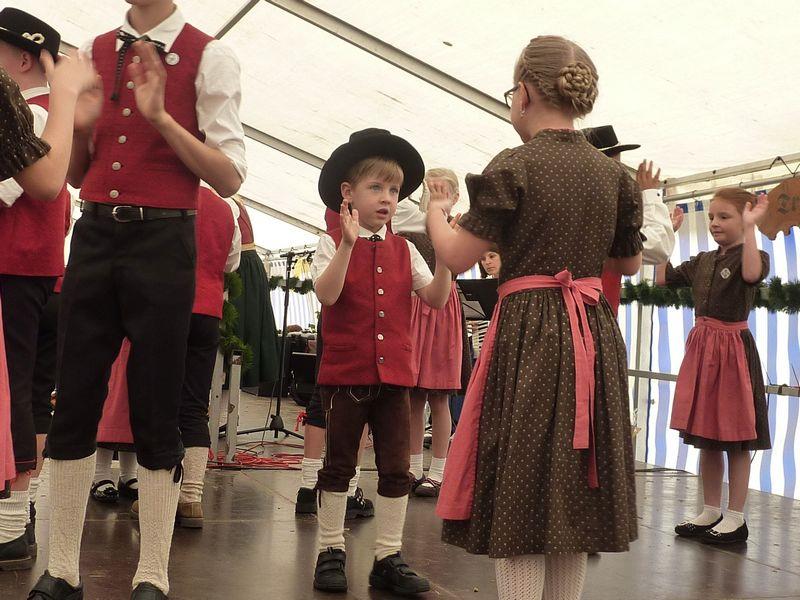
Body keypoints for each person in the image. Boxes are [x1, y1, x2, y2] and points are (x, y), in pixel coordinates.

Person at [29, 0, 246, 597]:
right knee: (74, 402)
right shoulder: (91, 52)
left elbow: (229, 177)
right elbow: (78, 175)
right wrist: (78, 124)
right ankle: (61, 569)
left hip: (165, 240)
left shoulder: (211, 55)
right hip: (95, 234)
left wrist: (162, 118)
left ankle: (153, 573)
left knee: (156, 405)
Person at [429, 36, 642, 600]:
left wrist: (434, 214)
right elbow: (628, 262)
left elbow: (456, 257)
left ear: (523, 93)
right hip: (591, 330)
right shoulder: (614, 176)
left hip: (531, 332)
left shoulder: (515, 164)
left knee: (521, 485)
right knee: (573, 488)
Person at [310, 128, 452, 595]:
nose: (387, 197)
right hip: (345, 376)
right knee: (339, 466)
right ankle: (330, 549)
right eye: (376, 187)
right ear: (348, 193)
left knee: (396, 469)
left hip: (394, 377)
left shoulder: (405, 249)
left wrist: (446, 254)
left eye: (394, 189)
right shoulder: (331, 242)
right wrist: (347, 245)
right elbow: (327, 295)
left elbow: (436, 298)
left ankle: (388, 555)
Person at [0, 6, 95, 571]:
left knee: (12, 392)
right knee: (31, 395)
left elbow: (15, 190)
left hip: (13, 271)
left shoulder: (29, 114)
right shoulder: (52, 118)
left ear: (22, 59)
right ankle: (22, 512)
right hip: (42, 275)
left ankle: (12, 521)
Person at [656, 188, 770, 544]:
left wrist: (750, 228)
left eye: (725, 216)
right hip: (703, 350)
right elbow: (662, 279)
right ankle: (710, 509)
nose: (715, 223)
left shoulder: (753, 255)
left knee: (736, 437)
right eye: (711, 217)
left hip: (733, 352)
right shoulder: (704, 260)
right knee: (707, 436)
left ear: (745, 217)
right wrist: (667, 234)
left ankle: (735, 516)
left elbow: (751, 274)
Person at [397, 168, 465, 497]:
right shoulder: (412, 223)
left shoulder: (459, 227)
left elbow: (462, 264)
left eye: (442, 190)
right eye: (430, 189)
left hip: (442, 309)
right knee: (413, 396)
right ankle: (412, 466)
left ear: (455, 196)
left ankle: (438, 470)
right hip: (414, 306)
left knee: (439, 395)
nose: (434, 195)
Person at [582, 124, 682, 314]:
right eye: (614, 165)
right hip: (592, 318)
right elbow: (658, 248)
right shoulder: (600, 213)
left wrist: (663, 228)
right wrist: (650, 194)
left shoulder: (573, 205)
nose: (619, 172)